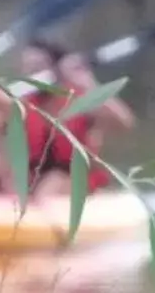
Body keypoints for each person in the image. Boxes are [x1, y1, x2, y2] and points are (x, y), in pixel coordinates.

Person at [30, 47, 134, 198]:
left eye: (38, 67)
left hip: (77, 183)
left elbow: (124, 122)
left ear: (55, 69)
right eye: (28, 68)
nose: (33, 73)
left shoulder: (82, 101)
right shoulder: (23, 104)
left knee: (54, 182)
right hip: (34, 185)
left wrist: (86, 81)